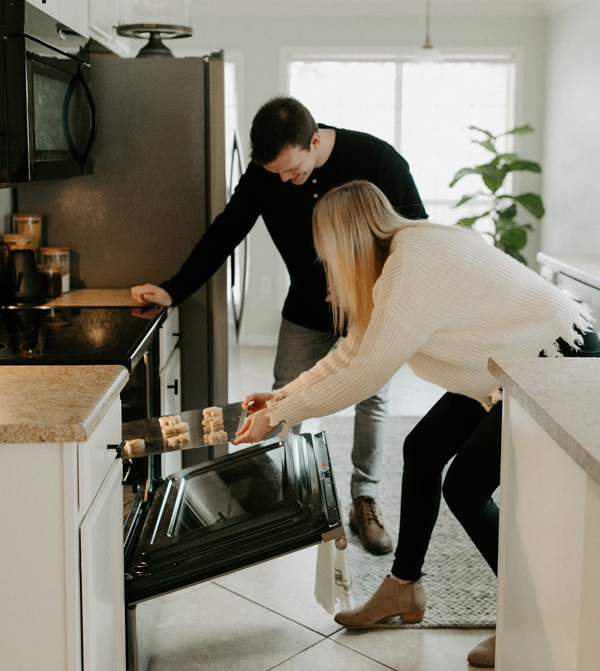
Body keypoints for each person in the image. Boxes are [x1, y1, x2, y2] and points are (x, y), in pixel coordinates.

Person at [233, 180, 600, 668]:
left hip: (553, 359)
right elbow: (354, 351)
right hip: (508, 364)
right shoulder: (402, 254)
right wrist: (281, 396)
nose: (325, 262)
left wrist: (278, 415)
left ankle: (524, 620)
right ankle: (404, 588)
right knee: (422, 448)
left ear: (345, 240)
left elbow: (364, 373)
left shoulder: (411, 269)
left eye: (325, 250)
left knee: (465, 488)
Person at [131, 96, 427, 555]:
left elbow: (415, 232)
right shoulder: (268, 173)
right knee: (285, 395)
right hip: (306, 308)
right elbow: (226, 231)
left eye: (293, 170)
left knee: (373, 397)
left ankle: (362, 499)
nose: (287, 181)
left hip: (371, 305)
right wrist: (174, 288)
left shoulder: (376, 158)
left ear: (314, 140)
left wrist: (373, 282)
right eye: (277, 175)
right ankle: (294, 496)